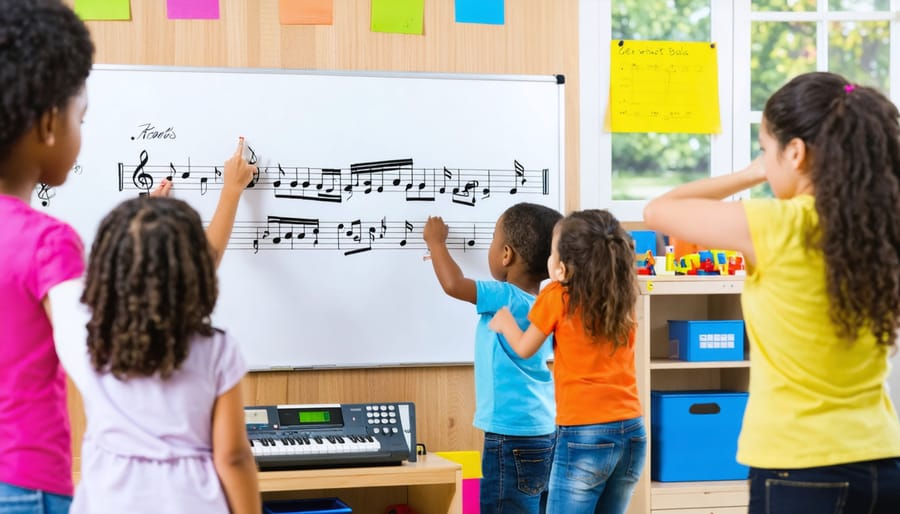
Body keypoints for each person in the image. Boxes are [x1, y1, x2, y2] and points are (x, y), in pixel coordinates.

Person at [643, 71, 900, 513]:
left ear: (795, 152)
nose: (764, 160)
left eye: (766, 149)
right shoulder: (883, 229)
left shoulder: (779, 225)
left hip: (798, 467)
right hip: (882, 460)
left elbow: (659, 210)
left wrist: (750, 174)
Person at [49, 193, 260, 514]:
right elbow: (233, 457)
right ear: (197, 272)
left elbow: (75, 291)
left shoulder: (86, 340)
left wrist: (139, 230)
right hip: (193, 502)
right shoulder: (217, 348)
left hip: (109, 501)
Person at [0, 1, 94, 511]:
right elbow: (93, 362)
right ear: (48, 125)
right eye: (82, 116)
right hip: (25, 484)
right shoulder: (47, 241)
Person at [490, 209, 645, 514]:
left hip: (584, 434)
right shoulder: (620, 296)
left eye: (551, 252)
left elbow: (525, 347)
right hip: (632, 433)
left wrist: (506, 321)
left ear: (561, 268)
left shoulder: (558, 295)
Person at [423, 202, 562, 514]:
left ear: (506, 255)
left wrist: (436, 243)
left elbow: (453, 284)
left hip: (510, 437)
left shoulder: (506, 296)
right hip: (544, 431)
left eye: (493, 241)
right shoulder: (546, 303)